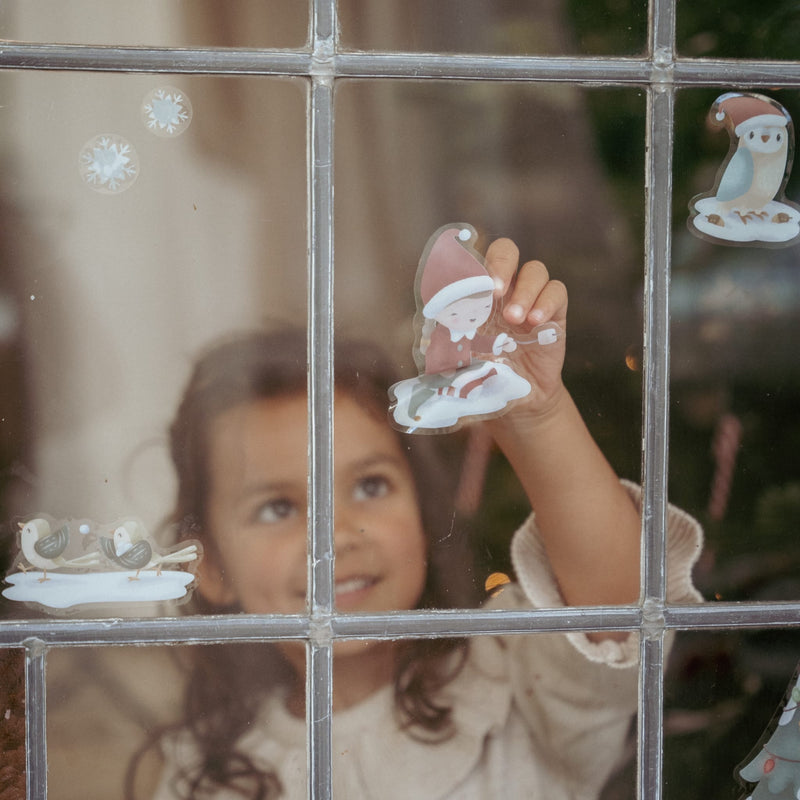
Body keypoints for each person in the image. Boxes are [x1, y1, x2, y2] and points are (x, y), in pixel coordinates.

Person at [137, 238, 703, 799]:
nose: (334, 536)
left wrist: (537, 413)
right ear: (208, 565)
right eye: (278, 507)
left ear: (422, 516)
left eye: (370, 485)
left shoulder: (515, 676)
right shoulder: (205, 779)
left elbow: (624, 608)